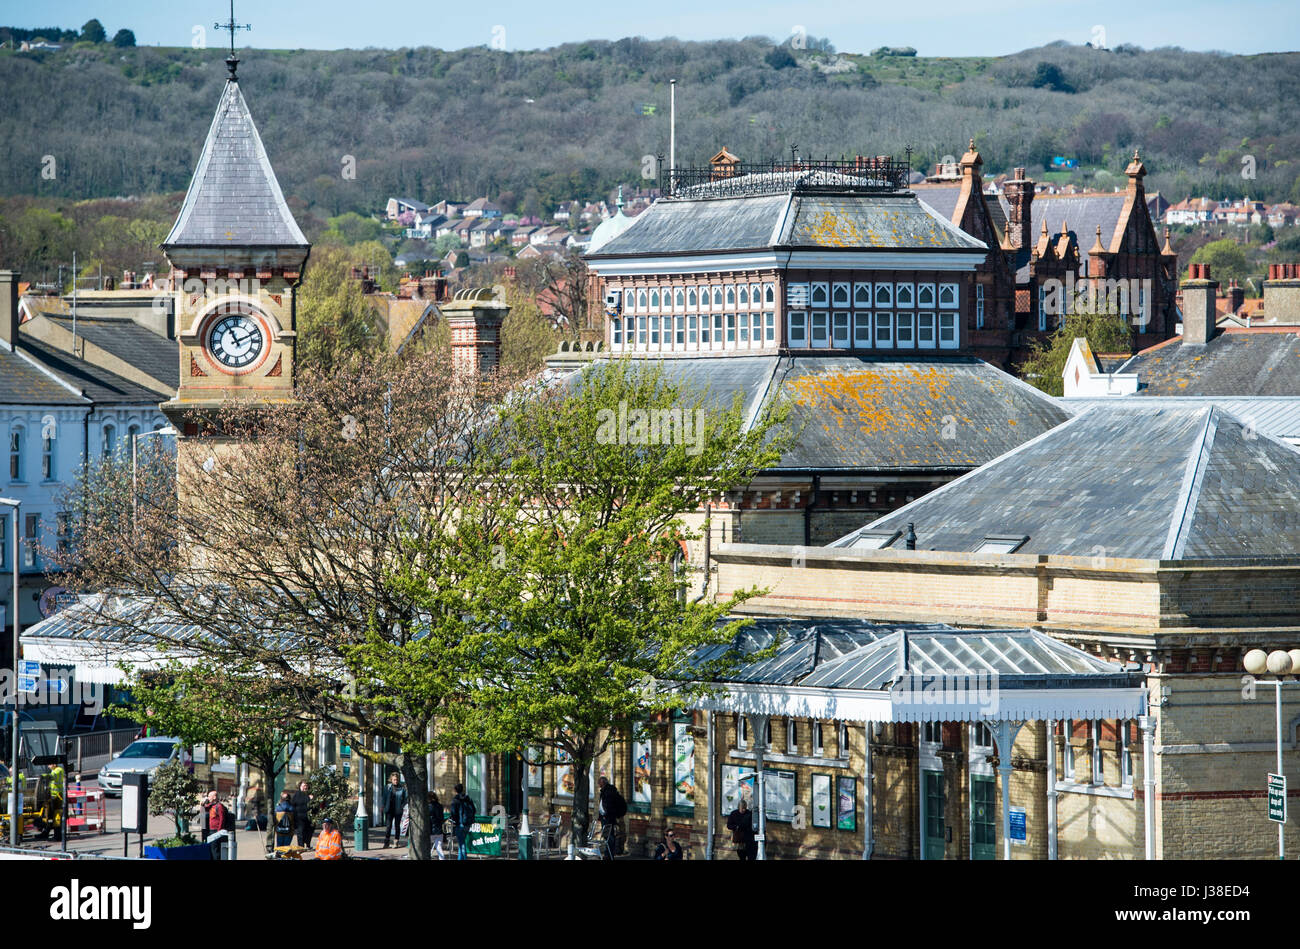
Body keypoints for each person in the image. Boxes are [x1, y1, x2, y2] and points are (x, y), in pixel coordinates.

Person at [596, 776, 627, 856]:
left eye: (599, 782)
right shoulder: (605, 791)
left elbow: (609, 805)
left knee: (609, 836)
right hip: (605, 817)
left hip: (608, 818)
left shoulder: (608, 791)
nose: (598, 783)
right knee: (607, 836)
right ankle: (608, 853)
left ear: (603, 782)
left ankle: (609, 854)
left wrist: (607, 814)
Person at [448, 783, 476, 861]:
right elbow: (474, 810)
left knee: (462, 844)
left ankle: (463, 858)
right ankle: (460, 858)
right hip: (468, 823)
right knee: (461, 842)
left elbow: (453, 813)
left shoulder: (455, 800)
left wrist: (453, 820)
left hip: (460, 824)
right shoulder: (468, 799)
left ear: (455, 790)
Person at [380, 771, 406, 849]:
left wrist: (402, 805)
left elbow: (405, 799)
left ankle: (396, 842)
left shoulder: (402, 788)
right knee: (388, 826)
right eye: (394, 779)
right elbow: (384, 797)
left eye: (397, 779)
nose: (395, 781)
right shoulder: (387, 787)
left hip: (398, 810)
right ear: (391, 779)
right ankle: (386, 842)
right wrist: (382, 806)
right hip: (389, 809)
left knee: (397, 826)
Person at [291, 780, 313, 848]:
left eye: (306, 786)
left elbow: (314, 805)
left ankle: (308, 844)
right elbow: (294, 804)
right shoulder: (297, 795)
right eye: (303, 786)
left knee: (309, 832)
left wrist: (312, 799)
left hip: (309, 817)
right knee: (300, 832)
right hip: (299, 817)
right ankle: (301, 846)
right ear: (300, 787)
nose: (305, 787)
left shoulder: (310, 794)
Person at [429, 792, 447, 860]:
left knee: (426, 847)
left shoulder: (428, 806)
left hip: (431, 830)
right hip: (439, 829)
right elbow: (441, 818)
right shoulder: (440, 806)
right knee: (439, 847)